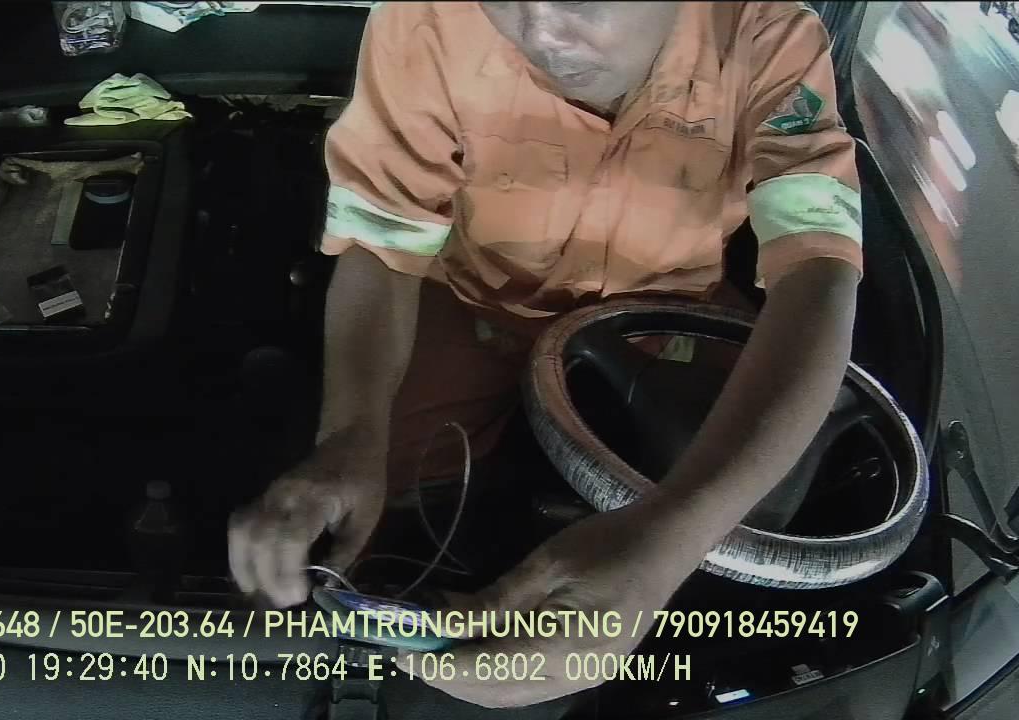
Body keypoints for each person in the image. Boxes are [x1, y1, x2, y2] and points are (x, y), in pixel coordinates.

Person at [230, 1, 862, 706]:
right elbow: (383, 244)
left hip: (662, 319)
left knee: (757, 505)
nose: (542, 33)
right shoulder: (423, 20)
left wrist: (668, 542)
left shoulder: (769, 32)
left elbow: (818, 271)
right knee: (368, 521)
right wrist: (349, 432)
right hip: (474, 303)